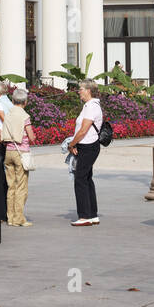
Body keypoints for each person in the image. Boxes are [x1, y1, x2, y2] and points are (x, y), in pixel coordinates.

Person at [67, 82, 103, 226]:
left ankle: (84, 216)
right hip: (87, 145)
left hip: (88, 146)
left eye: (81, 89)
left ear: (88, 91)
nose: (78, 92)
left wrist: (72, 144)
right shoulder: (89, 106)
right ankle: (92, 214)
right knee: (87, 178)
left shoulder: (91, 107)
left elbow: (83, 130)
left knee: (80, 179)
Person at [0, 88, 36, 227]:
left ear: (13, 100)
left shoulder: (7, 114)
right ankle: (19, 218)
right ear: (25, 102)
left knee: (11, 186)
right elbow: (31, 136)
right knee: (21, 186)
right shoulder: (25, 116)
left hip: (8, 151)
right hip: (21, 152)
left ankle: (10, 218)